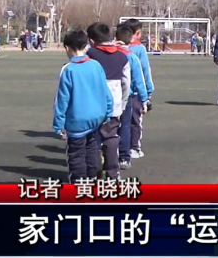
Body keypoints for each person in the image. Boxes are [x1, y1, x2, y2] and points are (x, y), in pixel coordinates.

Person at [53, 30, 113, 184]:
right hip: (97, 117)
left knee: (76, 154)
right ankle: (92, 176)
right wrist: (108, 112)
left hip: (77, 121)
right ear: (86, 46)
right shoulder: (96, 65)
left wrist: (58, 124)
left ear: (67, 48)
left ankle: (79, 181)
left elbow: (62, 100)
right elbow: (106, 92)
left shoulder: (68, 69)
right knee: (92, 147)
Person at [85, 23, 132, 175]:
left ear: (91, 41)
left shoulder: (89, 56)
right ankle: (113, 172)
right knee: (111, 138)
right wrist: (122, 103)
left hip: (92, 107)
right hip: (114, 106)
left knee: (92, 140)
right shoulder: (122, 57)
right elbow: (126, 83)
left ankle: (93, 171)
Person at [116, 24, 149, 163]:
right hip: (127, 96)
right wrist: (145, 98)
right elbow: (140, 79)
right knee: (125, 125)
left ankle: (109, 154)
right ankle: (125, 155)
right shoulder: (131, 56)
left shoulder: (108, 54)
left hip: (109, 96)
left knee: (110, 126)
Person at [124, 19, 155, 111]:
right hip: (135, 93)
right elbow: (145, 70)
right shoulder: (139, 48)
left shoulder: (117, 47)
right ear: (138, 33)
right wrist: (149, 90)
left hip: (119, 92)